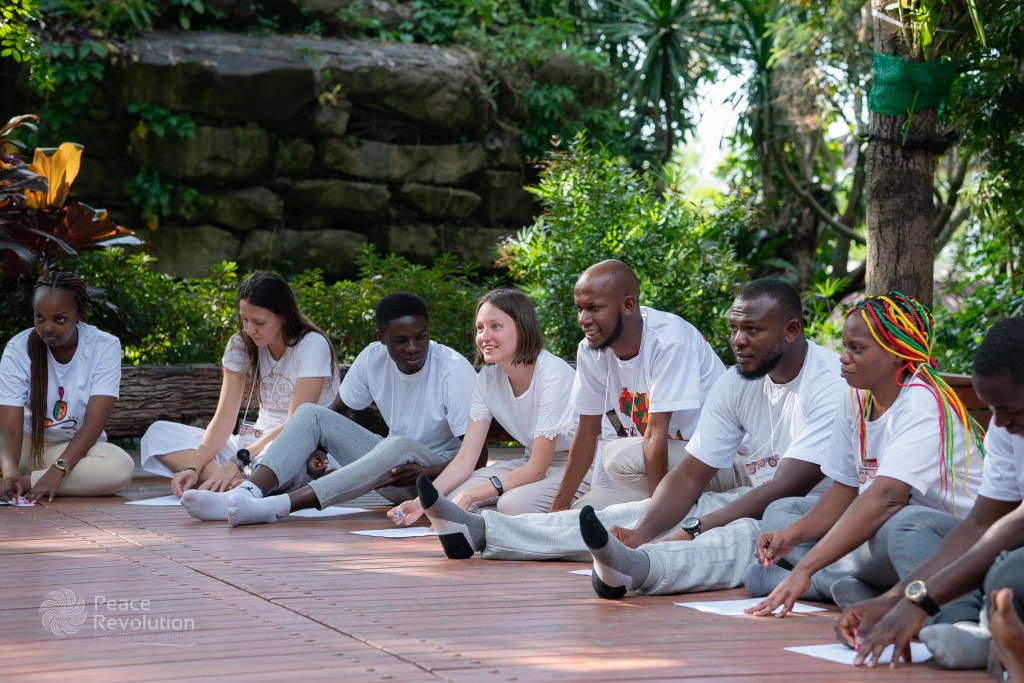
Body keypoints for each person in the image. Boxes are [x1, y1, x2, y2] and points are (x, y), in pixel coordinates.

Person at [413, 279, 844, 579]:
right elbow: (691, 473)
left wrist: (692, 526)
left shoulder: (826, 384)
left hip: (805, 510)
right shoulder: (738, 381)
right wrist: (642, 530)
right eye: (734, 328)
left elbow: (786, 487)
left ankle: (634, 571)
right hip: (752, 489)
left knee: (721, 531)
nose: (737, 341)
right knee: (625, 517)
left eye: (752, 329)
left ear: (791, 330)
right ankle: (484, 533)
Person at [742, 292, 986, 617]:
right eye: (844, 346)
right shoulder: (856, 398)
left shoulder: (922, 405)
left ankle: (836, 585)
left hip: (940, 541)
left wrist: (805, 568)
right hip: (879, 534)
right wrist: (789, 536)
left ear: (898, 355)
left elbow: (885, 499)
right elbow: (844, 491)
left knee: (902, 525)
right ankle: (861, 589)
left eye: (856, 349)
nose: (843, 357)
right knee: (783, 511)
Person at [178, 291, 480, 525]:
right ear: (381, 338)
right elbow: (332, 416)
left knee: (398, 444)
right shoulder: (373, 359)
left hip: (440, 480)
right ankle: (246, 494)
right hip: (392, 475)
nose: (413, 347)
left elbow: (479, 458)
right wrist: (318, 449)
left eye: (421, 337)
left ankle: (274, 507)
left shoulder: (453, 371)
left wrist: (426, 470)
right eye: (401, 340)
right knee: (310, 414)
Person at [833, 317, 1024, 672]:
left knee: (1008, 575)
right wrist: (897, 599)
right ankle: (982, 625)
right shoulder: (1007, 426)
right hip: (986, 554)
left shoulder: (921, 403)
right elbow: (982, 524)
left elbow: (1014, 526)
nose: (999, 424)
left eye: (1011, 411)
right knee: (918, 529)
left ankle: (976, 627)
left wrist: (918, 602)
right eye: (992, 410)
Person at [382, 289, 613, 540]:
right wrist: (420, 502)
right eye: (480, 328)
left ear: (522, 329)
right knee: (446, 499)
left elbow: (537, 468)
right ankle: (488, 522)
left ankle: (490, 521)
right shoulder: (488, 379)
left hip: (584, 466)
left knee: (511, 504)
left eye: (496, 326)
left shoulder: (552, 376)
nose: (485, 336)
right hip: (533, 462)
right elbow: (465, 459)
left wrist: (472, 495)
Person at [550, 259, 732, 512]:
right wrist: (558, 507)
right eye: (579, 309)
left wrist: (654, 519)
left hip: (716, 462)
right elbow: (586, 434)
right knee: (585, 515)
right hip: (653, 467)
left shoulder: (669, 341)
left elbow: (656, 434)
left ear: (628, 305)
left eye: (594, 308)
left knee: (619, 456)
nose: (583, 319)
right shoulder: (591, 350)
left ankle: (668, 517)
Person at [141, 272, 339, 496]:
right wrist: (193, 467)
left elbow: (298, 424)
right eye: (245, 320)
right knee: (157, 434)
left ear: (284, 316)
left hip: (301, 446)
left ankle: (237, 482)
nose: (249, 330)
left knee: (274, 460)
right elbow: (224, 418)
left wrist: (238, 460)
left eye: (259, 322)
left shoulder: (312, 344)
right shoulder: (241, 344)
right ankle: (236, 483)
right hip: (252, 447)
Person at [0, 271, 134, 502]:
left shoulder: (104, 346)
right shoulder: (18, 349)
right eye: (39, 318)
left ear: (79, 315)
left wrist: (58, 471)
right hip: (23, 447)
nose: (47, 327)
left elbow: (93, 423)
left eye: (59, 319)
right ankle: (18, 479)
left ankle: (26, 483)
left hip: (72, 450)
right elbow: (10, 429)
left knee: (120, 467)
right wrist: (10, 468)